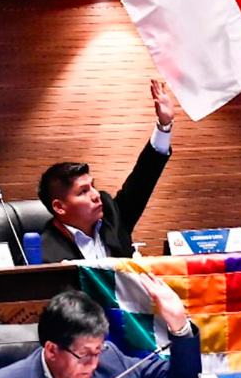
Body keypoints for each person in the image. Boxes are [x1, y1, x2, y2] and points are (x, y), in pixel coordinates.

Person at [0, 275, 201, 378]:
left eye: (98, 351)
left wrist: (179, 325)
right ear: (51, 350)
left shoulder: (110, 359)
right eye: (85, 355)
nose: (94, 364)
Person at [38, 79, 177, 262]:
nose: (95, 195)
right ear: (59, 207)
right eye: (83, 191)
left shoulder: (111, 215)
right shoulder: (43, 254)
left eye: (93, 186)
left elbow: (144, 178)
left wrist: (164, 124)